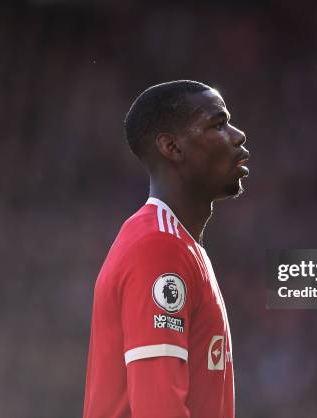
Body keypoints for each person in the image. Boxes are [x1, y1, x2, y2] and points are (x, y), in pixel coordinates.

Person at [83, 80, 249, 418]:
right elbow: (158, 409)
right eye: (218, 124)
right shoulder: (158, 248)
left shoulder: (179, 244)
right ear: (172, 147)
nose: (238, 135)